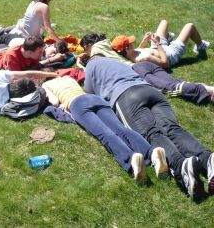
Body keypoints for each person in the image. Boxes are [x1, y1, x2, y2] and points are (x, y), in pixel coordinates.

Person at [83, 55, 214, 201]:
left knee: (151, 134)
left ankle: (181, 165)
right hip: (150, 91)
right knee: (173, 128)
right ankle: (207, 158)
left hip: (125, 96)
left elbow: (88, 92)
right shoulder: (117, 61)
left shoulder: (91, 66)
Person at [42, 75, 168, 185]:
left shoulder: (46, 84)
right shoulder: (67, 78)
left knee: (105, 134)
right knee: (120, 129)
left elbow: (54, 102)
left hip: (76, 104)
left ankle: (131, 159)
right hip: (94, 98)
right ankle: (153, 153)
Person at [79, 32, 214, 104]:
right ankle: (208, 94)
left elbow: (94, 68)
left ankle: (208, 90)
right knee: (173, 82)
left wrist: (82, 63)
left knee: (168, 88)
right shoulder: (109, 43)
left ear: (88, 45)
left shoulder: (96, 52)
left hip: (136, 71)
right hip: (145, 65)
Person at [118, 19, 210, 68]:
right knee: (190, 26)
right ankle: (200, 46)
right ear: (127, 48)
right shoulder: (143, 59)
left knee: (164, 22)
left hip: (156, 48)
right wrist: (158, 43)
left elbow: (139, 50)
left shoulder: (131, 54)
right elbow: (165, 63)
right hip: (170, 54)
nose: (132, 42)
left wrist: (145, 40)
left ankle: (168, 38)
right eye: (130, 43)